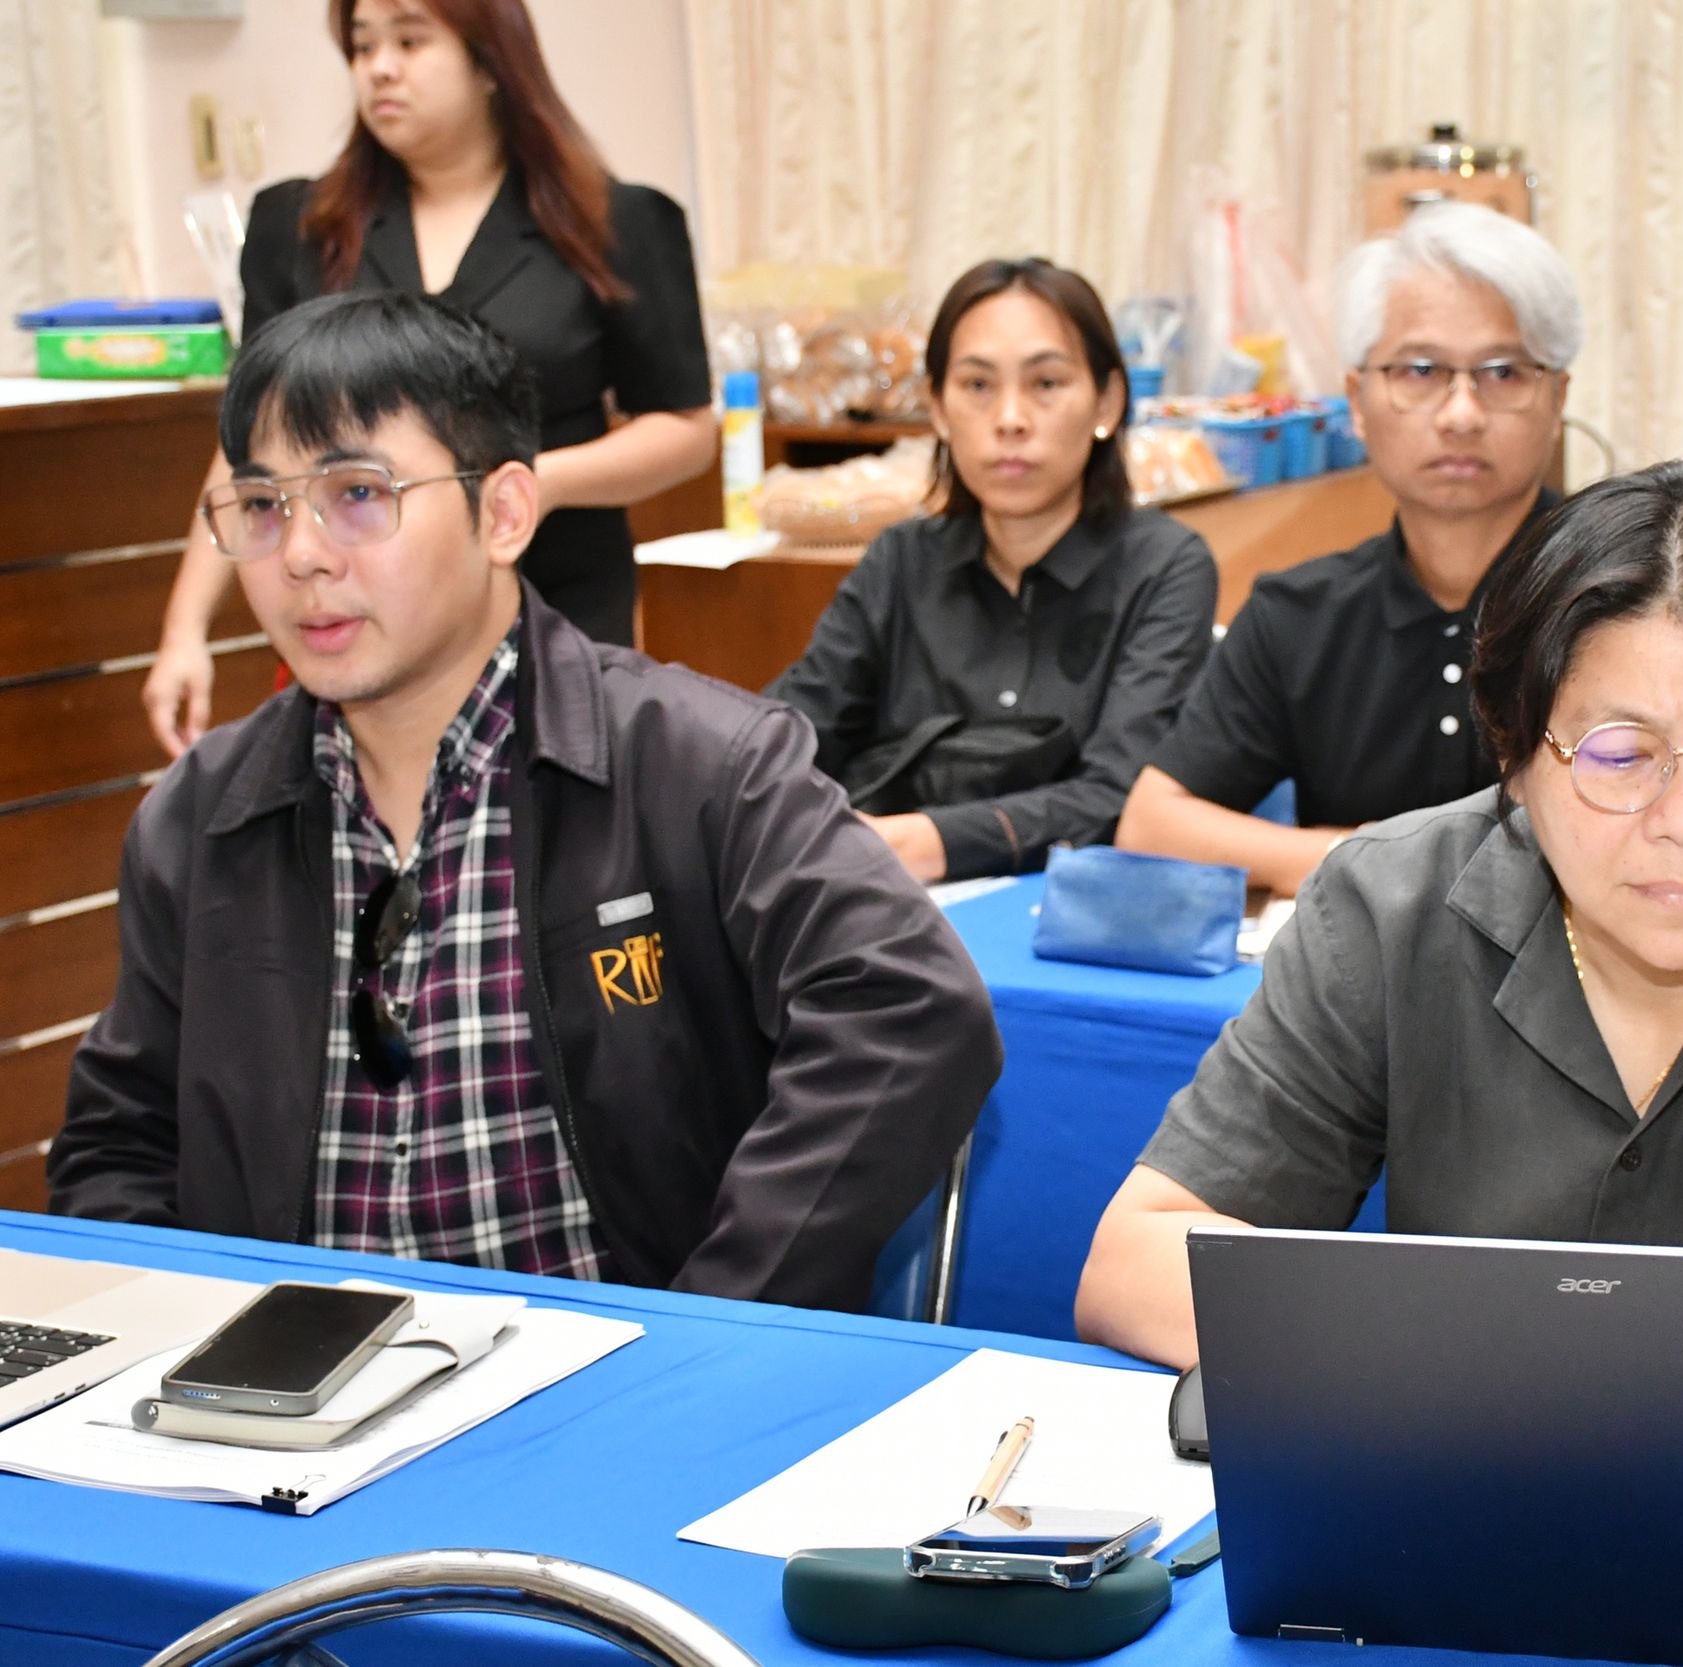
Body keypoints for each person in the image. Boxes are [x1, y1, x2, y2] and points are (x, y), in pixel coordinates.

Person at [1078, 460, 1683, 1455]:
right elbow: (1138, 1259)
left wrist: (1438, 1357)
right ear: (1513, 756)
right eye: (1620, 756)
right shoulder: (1391, 901)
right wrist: (1556, 1368)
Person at [52, 291, 1000, 1313]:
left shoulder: (696, 762)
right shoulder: (201, 817)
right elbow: (119, 1142)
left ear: (502, 512)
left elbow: (910, 1007)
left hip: (609, 1376)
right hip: (288, 1386)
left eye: (358, 493)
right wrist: (183, 1345)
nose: (302, 555)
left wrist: (715, 1322)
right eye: (262, 506)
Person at [142, 0, 715, 757]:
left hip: (558, 603)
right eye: (362, 47)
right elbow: (249, 449)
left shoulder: (612, 221)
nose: (379, 69)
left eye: (410, 42)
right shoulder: (302, 227)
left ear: (488, 61)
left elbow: (685, 428)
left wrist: (527, 485)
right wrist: (185, 628)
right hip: (358, 614)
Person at [1114, 203, 1577, 896]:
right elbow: (1153, 824)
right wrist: (1360, 860)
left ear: (1558, 398)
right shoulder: (1299, 615)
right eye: (1420, 370)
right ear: (1357, 400)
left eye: (1503, 373)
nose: (1461, 413)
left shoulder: (1622, 597)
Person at [766, 258, 1217, 881]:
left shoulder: (1165, 568)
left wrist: (924, 841)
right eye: (978, 385)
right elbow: (787, 738)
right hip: (880, 900)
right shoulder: (899, 561)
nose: (1010, 419)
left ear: (1108, 402)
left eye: (1046, 383)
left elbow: (1124, 796)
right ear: (939, 408)